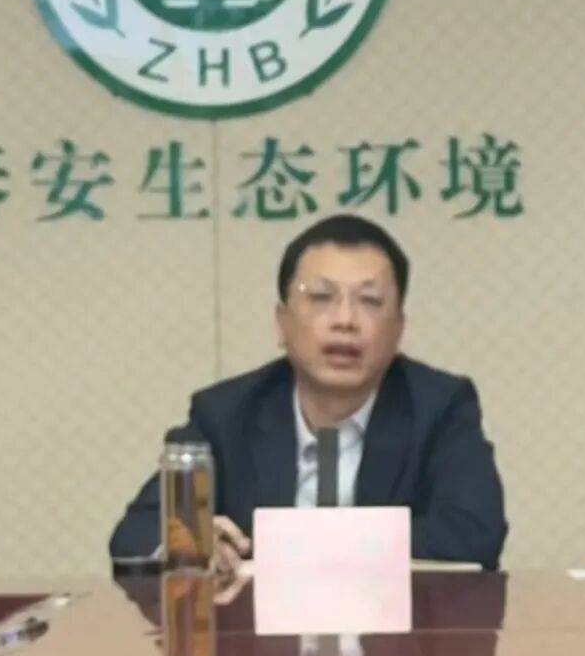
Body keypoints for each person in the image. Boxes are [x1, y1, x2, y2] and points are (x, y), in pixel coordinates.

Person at [109, 214, 507, 570]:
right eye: (320, 298)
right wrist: (193, 541)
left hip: (398, 628)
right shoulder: (226, 414)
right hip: (255, 630)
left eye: (370, 301)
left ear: (399, 328)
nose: (345, 320)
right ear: (281, 322)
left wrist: (296, 544)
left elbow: (475, 535)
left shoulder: (439, 407)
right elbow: (137, 534)